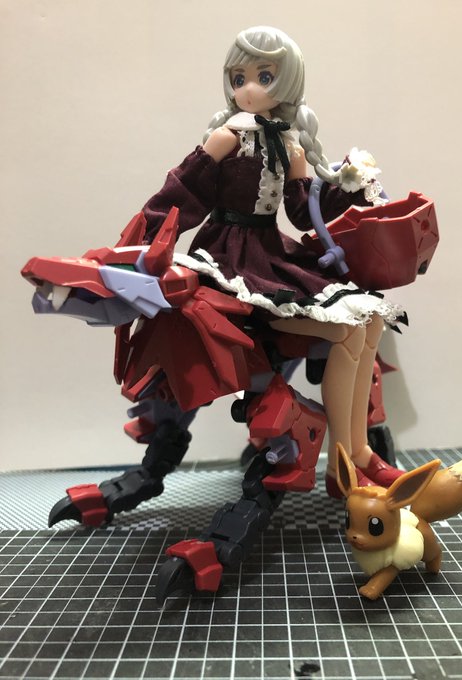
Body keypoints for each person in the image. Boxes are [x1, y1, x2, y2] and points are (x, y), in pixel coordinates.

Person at [143, 26, 406, 492]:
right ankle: (344, 466)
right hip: (229, 258)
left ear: (287, 82)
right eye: (238, 77)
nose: (247, 89)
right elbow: (183, 192)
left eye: (263, 77)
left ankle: (356, 454)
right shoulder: (225, 138)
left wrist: (351, 185)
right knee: (345, 330)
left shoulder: (290, 145)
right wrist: (147, 239)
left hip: (269, 253)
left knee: (369, 324)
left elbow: (303, 213)